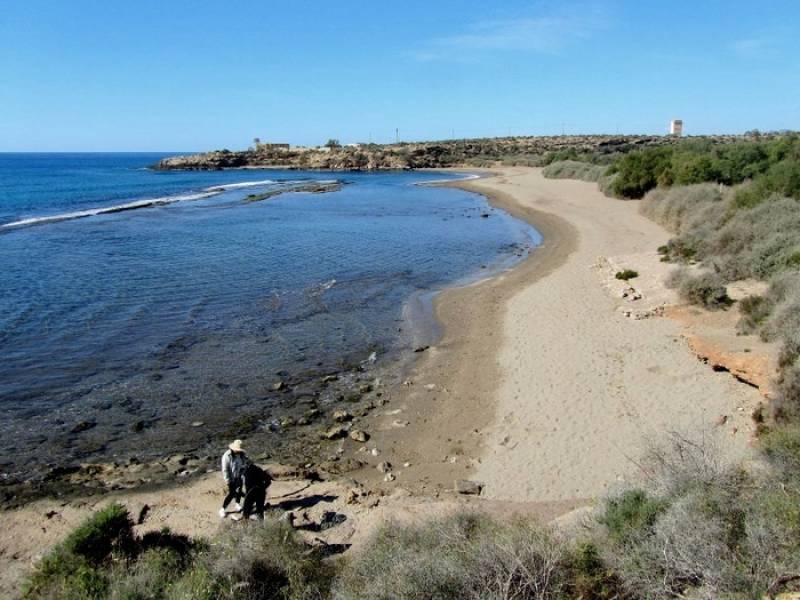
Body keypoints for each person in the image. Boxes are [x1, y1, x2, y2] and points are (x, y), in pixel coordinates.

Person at [219, 439, 249, 518]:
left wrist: (243, 471)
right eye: (237, 450)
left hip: (239, 476)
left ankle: (237, 504)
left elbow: (245, 463)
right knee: (231, 493)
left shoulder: (242, 454)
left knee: (239, 491)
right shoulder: (227, 456)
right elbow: (225, 470)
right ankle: (222, 509)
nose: (238, 451)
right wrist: (228, 481)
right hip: (231, 478)